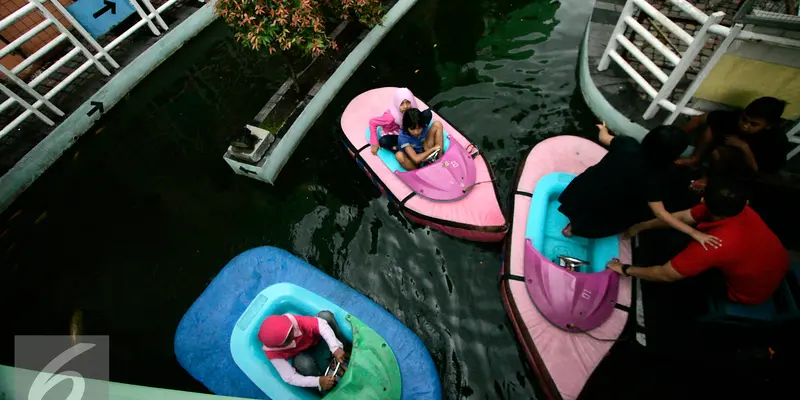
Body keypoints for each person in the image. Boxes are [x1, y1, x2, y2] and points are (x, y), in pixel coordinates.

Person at [608, 179, 789, 305]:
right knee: (677, 242)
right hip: (774, 266)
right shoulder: (738, 208)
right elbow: (683, 217)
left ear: (703, 199)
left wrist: (625, 269)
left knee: (681, 279)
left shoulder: (714, 245)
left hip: (749, 292)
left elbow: (665, 274)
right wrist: (641, 226)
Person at [558, 123, 721, 250]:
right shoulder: (656, 177)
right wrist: (695, 233)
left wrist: (603, 128)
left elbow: (604, 138)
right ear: (673, 155)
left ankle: (570, 227)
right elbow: (661, 213)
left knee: (583, 208)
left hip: (587, 188)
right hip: (609, 207)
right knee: (600, 216)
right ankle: (574, 229)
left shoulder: (627, 144)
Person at [676, 97, 789, 190]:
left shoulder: (775, 141)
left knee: (719, 153)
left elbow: (758, 172)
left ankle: (708, 180)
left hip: (748, 174)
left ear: (768, 126)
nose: (745, 125)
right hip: (723, 156)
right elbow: (698, 119)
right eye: (744, 119)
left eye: (754, 124)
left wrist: (744, 147)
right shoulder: (735, 117)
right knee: (712, 128)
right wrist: (673, 138)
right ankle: (695, 160)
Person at [258, 311, 350, 391]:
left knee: (325, 316)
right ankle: (326, 380)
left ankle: (344, 351)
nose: (294, 334)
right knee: (302, 363)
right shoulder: (272, 353)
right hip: (302, 354)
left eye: (291, 330)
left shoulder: (293, 321)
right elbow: (290, 377)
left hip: (317, 340)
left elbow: (320, 324)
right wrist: (318, 381)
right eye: (287, 338)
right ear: (279, 345)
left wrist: (335, 347)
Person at [368, 88, 418, 155]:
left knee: (427, 114)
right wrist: (374, 142)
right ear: (397, 103)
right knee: (384, 141)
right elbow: (372, 122)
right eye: (401, 103)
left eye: (408, 102)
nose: (405, 106)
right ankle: (400, 149)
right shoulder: (390, 117)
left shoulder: (412, 109)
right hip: (393, 132)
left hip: (404, 129)